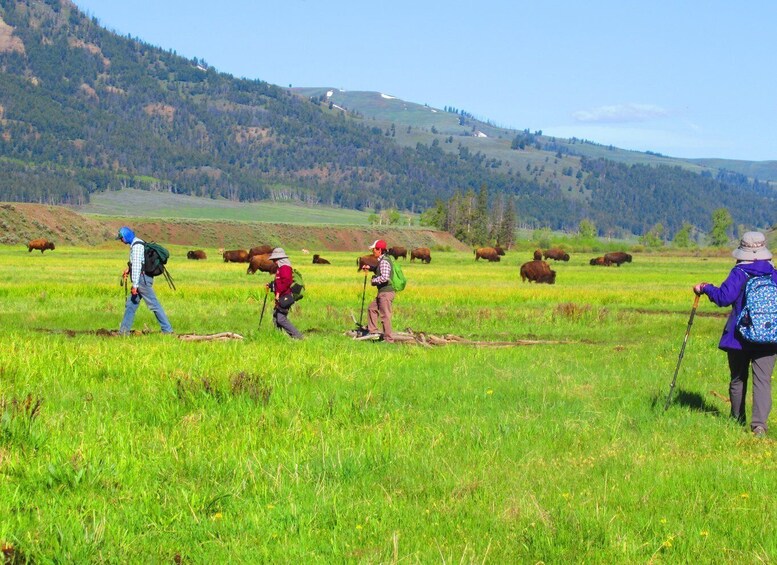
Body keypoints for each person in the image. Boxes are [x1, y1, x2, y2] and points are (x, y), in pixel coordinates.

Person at [694, 231, 777, 437]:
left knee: (738, 378)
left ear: (743, 250)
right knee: (763, 381)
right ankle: (759, 426)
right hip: (769, 336)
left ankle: (737, 419)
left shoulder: (739, 272)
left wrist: (705, 288)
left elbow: (723, 298)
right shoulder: (773, 273)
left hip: (739, 336)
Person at [117, 226, 173, 335]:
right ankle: (123, 332)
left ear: (126, 236)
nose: (121, 240)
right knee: (130, 305)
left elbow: (138, 265)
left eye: (121, 238)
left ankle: (167, 330)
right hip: (142, 279)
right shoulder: (137, 243)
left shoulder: (137, 246)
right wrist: (128, 269)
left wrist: (135, 285)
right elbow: (138, 263)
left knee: (154, 305)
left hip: (142, 281)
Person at [361, 239, 395, 342]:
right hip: (382, 292)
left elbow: (385, 277)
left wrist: (373, 281)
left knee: (385, 316)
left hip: (386, 293)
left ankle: (388, 339)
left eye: (374, 250)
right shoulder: (382, 260)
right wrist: (370, 267)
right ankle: (373, 332)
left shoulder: (384, 262)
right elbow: (378, 269)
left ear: (379, 250)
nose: (373, 252)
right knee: (372, 308)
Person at [267, 248, 303, 340]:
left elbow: (286, 282)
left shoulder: (285, 268)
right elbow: (279, 282)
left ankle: (298, 337)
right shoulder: (281, 268)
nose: (274, 262)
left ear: (280, 259)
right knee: (276, 316)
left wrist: (278, 293)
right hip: (281, 296)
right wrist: (271, 285)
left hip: (285, 297)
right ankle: (277, 338)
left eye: (275, 260)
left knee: (281, 319)